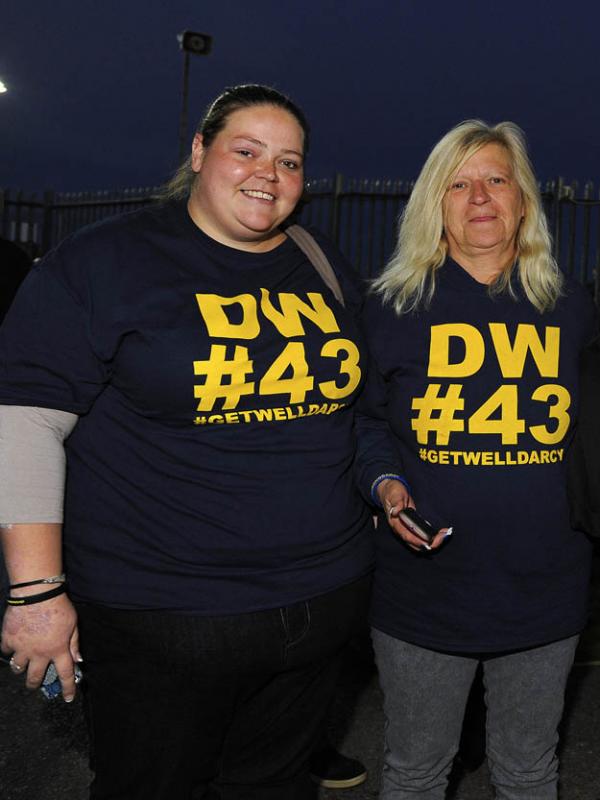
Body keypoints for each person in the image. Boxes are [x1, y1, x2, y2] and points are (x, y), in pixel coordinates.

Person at [0, 84, 374, 798]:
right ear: (199, 153)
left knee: (272, 787)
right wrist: (37, 595)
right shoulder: (106, 262)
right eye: (247, 150)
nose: (269, 173)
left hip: (318, 608)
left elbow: (359, 405)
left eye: (290, 161)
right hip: (164, 617)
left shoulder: (318, 262)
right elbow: (26, 419)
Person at [355, 119, 596, 799]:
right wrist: (386, 484)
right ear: (436, 203)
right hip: (424, 588)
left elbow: (598, 440)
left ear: (523, 201)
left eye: (496, 179)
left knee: (527, 772)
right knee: (416, 771)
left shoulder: (569, 307)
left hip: (543, 586)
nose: (480, 196)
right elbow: (364, 421)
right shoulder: (390, 306)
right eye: (459, 184)